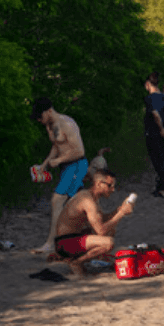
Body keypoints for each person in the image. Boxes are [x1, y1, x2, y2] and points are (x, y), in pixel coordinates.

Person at [50, 168, 134, 276]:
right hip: (64, 243)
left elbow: (103, 220)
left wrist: (119, 210)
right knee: (108, 242)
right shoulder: (87, 200)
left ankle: (81, 260)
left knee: (111, 229)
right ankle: (76, 262)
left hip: (72, 239)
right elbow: (101, 231)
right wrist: (121, 213)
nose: (113, 189)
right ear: (99, 184)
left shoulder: (92, 197)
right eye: (110, 185)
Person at [31, 97, 87, 252]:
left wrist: (59, 160)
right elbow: (56, 146)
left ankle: (51, 244)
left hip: (76, 165)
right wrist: (44, 165)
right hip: (65, 166)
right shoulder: (49, 126)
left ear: (49, 110)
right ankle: (88, 237)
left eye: (40, 116)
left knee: (57, 200)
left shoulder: (67, 124)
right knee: (80, 203)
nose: (39, 120)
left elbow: (79, 151)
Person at [142, 74, 164, 197]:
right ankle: (163, 184)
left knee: (156, 159)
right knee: (162, 159)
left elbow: (155, 114)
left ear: (148, 84)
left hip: (154, 133)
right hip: (163, 133)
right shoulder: (163, 97)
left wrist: (160, 128)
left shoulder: (149, 98)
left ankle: (163, 187)